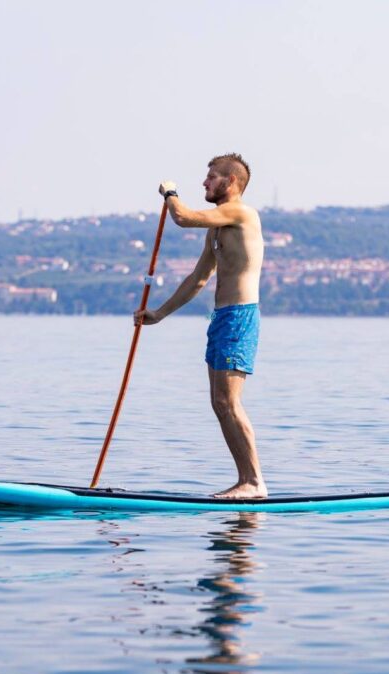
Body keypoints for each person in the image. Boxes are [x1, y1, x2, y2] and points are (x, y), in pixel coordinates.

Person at [133, 153, 267, 499]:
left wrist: (170, 193)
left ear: (231, 181)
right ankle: (247, 480)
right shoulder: (217, 230)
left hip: (239, 317)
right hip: (221, 319)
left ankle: (253, 483)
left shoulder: (242, 213)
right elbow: (198, 279)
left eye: (211, 177)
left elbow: (183, 217)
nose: (205, 182)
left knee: (229, 402)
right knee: (219, 403)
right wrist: (159, 313)